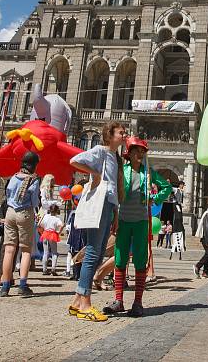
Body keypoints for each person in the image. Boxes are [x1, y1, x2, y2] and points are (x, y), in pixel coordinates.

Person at [102, 136, 172, 317]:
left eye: (143, 151)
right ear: (130, 153)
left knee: (140, 261)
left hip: (141, 222)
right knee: (120, 259)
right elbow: (113, 191)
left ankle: (138, 303)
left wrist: (155, 198)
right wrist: (112, 216)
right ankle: (119, 301)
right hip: (123, 220)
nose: (140, 154)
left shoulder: (148, 173)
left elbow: (166, 187)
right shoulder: (122, 170)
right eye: (137, 151)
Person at [68, 121, 126, 322]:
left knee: (100, 252)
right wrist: (94, 173)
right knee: (93, 252)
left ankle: (77, 302)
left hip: (109, 206)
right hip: (99, 204)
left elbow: (115, 190)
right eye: (121, 132)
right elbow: (74, 160)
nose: (124, 135)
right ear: (109, 135)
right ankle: (85, 304)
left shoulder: (116, 158)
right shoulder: (100, 151)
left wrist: (116, 214)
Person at [0, 151, 42, 297]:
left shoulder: (13, 177)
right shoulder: (34, 180)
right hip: (25, 213)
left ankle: (5, 286)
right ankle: (22, 285)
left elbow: (8, 194)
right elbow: (35, 201)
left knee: (9, 250)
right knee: (25, 251)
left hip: (10, 212)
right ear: (34, 165)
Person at [39, 204, 64, 276]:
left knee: (45, 252)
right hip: (52, 234)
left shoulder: (46, 216)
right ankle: (53, 269)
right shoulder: (57, 219)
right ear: (56, 211)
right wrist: (59, 232)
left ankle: (44, 269)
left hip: (45, 233)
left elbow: (40, 224)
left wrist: (42, 231)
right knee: (54, 252)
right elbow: (62, 225)